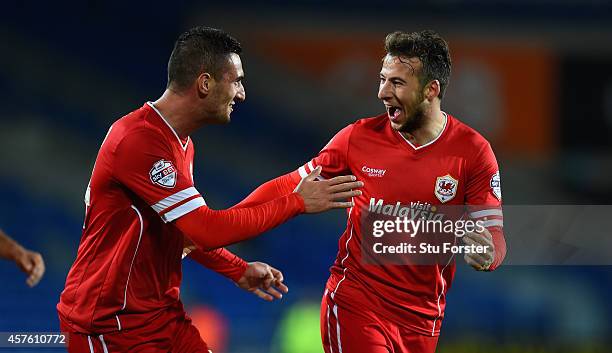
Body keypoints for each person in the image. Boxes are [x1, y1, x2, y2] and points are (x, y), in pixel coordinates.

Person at [57, 26, 362, 353]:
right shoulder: (139, 140)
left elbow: (185, 231)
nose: (242, 94)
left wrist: (238, 268)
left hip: (160, 315)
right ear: (205, 83)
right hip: (110, 324)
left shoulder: (181, 145)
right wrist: (297, 203)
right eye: (237, 81)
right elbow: (208, 229)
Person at [230, 30, 507, 353]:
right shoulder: (357, 139)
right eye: (382, 80)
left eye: (397, 83)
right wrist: (229, 221)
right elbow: (289, 184)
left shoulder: (472, 152)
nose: (382, 93)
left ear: (431, 90)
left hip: (423, 323)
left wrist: (489, 255)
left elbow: (494, 235)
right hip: (357, 305)